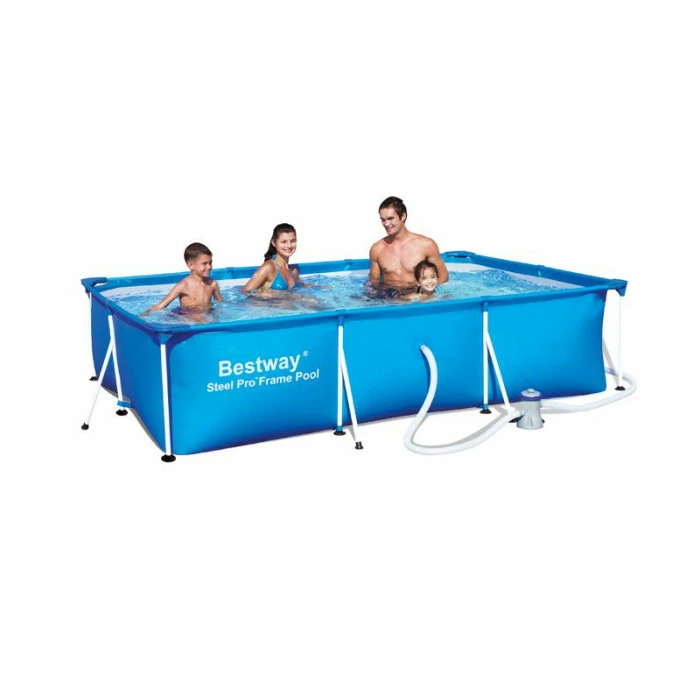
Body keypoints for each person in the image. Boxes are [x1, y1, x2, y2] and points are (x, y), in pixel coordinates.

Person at [369, 196, 449, 290]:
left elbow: (443, 278)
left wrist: (427, 295)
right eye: (383, 219)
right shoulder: (377, 249)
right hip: (390, 295)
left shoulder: (426, 245)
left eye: (390, 218)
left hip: (418, 295)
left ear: (403, 216)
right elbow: (374, 283)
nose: (386, 224)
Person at [143, 242, 223, 317]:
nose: (209, 267)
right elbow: (161, 305)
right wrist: (143, 316)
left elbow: (221, 303)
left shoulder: (212, 283)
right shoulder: (183, 286)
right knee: (201, 319)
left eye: (210, 263)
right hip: (188, 317)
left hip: (207, 314)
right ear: (191, 265)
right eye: (204, 264)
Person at [242, 223, 304, 294]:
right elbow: (244, 292)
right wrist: (264, 295)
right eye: (284, 242)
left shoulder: (293, 271)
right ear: (274, 243)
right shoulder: (269, 267)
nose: (289, 245)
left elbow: (302, 287)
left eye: (292, 241)